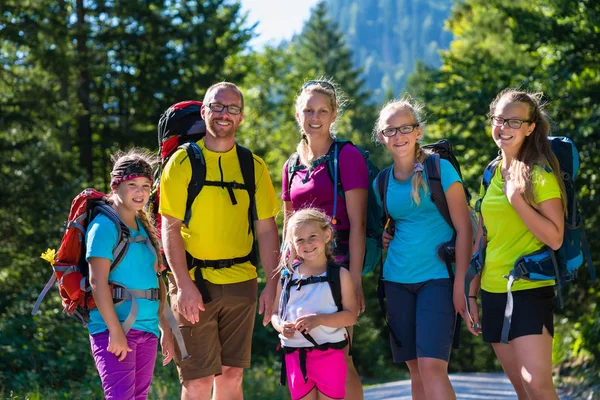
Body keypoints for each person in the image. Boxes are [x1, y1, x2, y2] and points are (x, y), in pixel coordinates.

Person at [159, 82, 280, 400]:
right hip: (194, 285)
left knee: (232, 376)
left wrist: (273, 283)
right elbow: (169, 228)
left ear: (241, 117)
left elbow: (267, 229)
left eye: (232, 109)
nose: (224, 114)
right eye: (216, 106)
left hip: (243, 281)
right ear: (204, 111)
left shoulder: (253, 166)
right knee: (197, 381)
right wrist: (182, 283)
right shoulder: (182, 163)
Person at [467, 89, 565, 400]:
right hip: (493, 291)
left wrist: (517, 201)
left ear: (530, 127)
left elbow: (555, 237)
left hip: (529, 288)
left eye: (514, 121)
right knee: (522, 390)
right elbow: (483, 239)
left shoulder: (539, 174)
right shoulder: (491, 172)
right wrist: (471, 292)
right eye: (499, 119)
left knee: (537, 386)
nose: (504, 127)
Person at [373, 97, 473, 400]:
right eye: (390, 130)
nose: (398, 136)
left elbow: (465, 227)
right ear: (381, 137)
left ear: (418, 131)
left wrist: (462, 284)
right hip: (396, 282)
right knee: (415, 368)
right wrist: (385, 234)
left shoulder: (439, 170)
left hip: (439, 280)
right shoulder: (382, 181)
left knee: (432, 366)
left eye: (405, 128)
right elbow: (392, 224)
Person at [281, 78, 368, 399]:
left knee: (339, 353)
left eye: (321, 111)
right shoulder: (291, 165)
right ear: (298, 114)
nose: (314, 117)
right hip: (301, 273)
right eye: (308, 110)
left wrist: (355, 280)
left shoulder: (346, 156)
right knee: (307, 356)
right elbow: (288, 230)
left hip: (338, 268)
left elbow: (357, 224)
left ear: (333, 115)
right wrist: (281, 281)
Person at [87, 149, 174, 400]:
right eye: (132, 184)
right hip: (115, 328)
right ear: (116, 186)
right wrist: (115, 331)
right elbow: (97, 282)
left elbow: (155, 284)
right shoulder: (103, 227)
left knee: (139, 397)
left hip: (147, 329)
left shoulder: (144, 228)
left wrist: (165, 328)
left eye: (146, 186)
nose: (140, 192)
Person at [272, 208, 358, 400]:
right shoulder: (286, 277)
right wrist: (280, 326)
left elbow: (351, 315)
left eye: (312, 236)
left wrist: (318, 320)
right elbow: (274, 313)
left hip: (330, 355)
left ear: (327, 235)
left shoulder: (339, 275)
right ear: (292, 243)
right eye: (300, 239)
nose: (307, 244)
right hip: (295, 356)